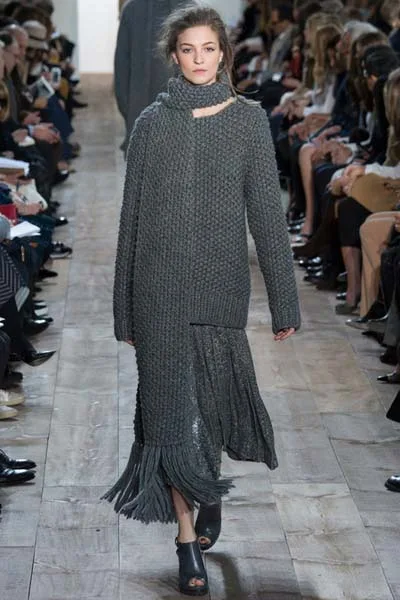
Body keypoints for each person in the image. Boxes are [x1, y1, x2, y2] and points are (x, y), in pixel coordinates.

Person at [103, 3, 300, 596]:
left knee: (208, 409)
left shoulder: (248, 122)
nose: (198, 59)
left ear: (223, 54)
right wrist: (123, 306)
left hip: (220, 285)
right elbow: (131, 220)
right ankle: (186, 539)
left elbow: (267, 217)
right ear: (174, 55)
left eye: (208, 49)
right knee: (167, 415)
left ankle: (205, 485)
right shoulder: (151, 124)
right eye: (187, 49)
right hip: (157, 289)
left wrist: (285, 302)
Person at [114, 0, 183, 154]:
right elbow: (121, 69)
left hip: (143, 116)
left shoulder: (132, 9)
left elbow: (121, 72)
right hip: (155, 117)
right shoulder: (195, 9)